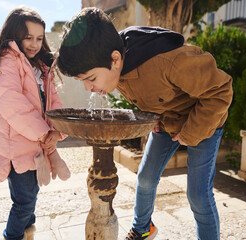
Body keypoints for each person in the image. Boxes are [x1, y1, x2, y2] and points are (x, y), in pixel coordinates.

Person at [56, 7, 233, 240]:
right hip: (167, 121)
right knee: (146, 178)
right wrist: (153, 116)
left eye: (90, 79)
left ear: (115, 59)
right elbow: (149, 92)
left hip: (204, 122)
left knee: (198, 195)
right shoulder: (113, 64)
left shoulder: (170, 62)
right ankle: (142, 229)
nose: (88, 88)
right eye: (82, 81)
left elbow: (220, 90)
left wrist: (189, 134)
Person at [0, 6, 70, 240]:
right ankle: (13, 236)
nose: (34, 43)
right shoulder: (6, 61)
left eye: (39, 38)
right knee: (24, 202)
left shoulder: (42, 66)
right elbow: (13, 104)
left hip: (37, 146)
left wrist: (57, 130)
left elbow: (54, 100)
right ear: (14, 35)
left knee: (31, 195)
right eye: (28, 37)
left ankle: (27, 233)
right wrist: (44, 134)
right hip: (17, 147)